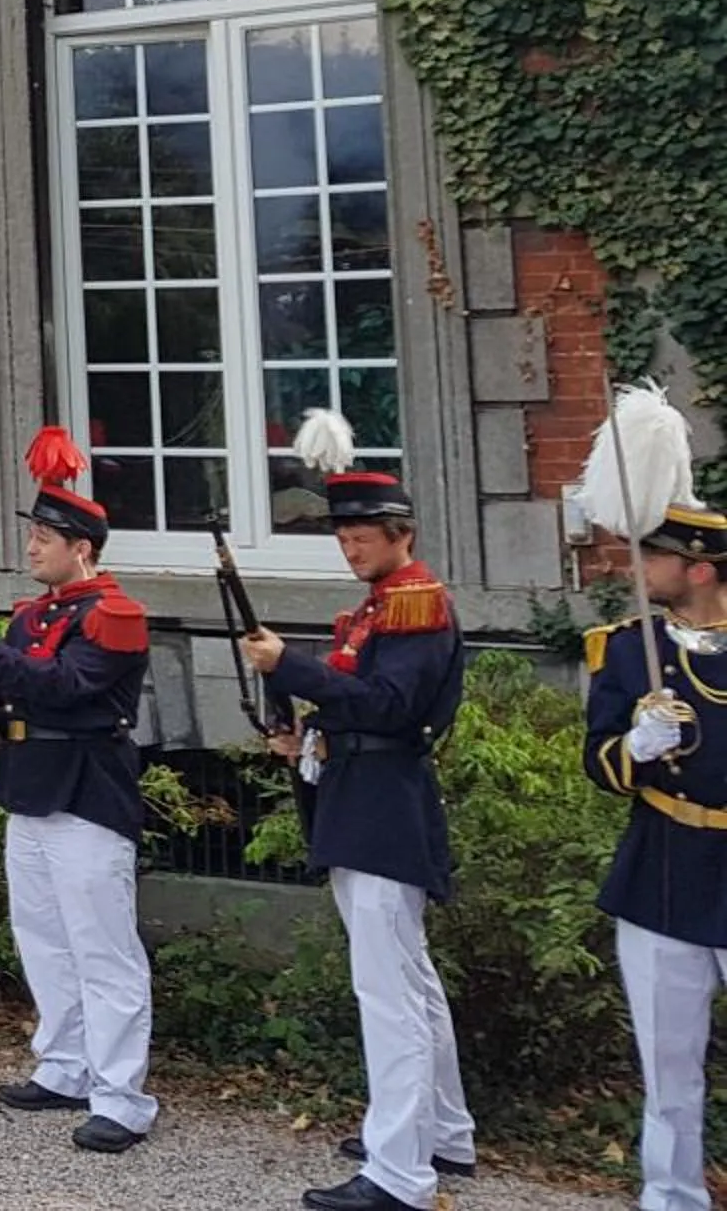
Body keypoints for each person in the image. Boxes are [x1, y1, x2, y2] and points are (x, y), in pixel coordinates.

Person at [236, 413, 472, 1211]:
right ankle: (441, 1130)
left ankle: (400, 1170)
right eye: (341, 532)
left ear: (397, 531)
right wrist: (300, 733)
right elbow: (358, 712)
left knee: (389, 993)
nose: (348, 543)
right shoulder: (378, 605)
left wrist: (290, 666)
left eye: (361, 531)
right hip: (361, 797)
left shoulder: (414, 603)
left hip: (383, 807)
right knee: (410, 978)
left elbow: (391, 706)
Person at [0, 427, 156, 1151]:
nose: (31, 547)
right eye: (31, 535)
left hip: (88, 789)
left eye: (43, 537)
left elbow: (69, 688)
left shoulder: (114, 615)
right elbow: (15, 695)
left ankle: (122, 1096)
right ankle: (65, 1065)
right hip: (30, 784)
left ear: (81, 548)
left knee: (103, 948)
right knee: (44, 939)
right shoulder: (33, 615)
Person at [582, 497, 727, 1211]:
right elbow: (597, 761)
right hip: (664, 866)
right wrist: (636, 749)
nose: (638, 569)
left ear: (698, 568)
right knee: (670, 1070)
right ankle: (670, 1199)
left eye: (656, 557)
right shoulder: (632, 646)